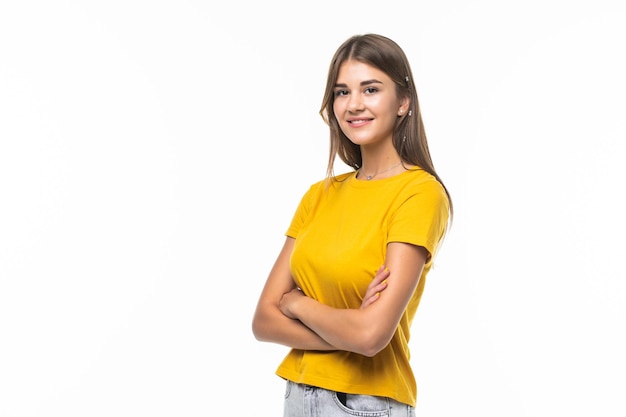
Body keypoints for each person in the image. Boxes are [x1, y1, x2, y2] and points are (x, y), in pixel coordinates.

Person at [252, 33, 453, 416]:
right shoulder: (320, 194)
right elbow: (264, 320)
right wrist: (347, 329)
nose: (354, 104)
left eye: (371, 89)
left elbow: (371, 335)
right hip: (299, 394)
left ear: (403, 102)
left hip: (363, 404)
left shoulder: (420, 193)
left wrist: (296, 303)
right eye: (342, 92)